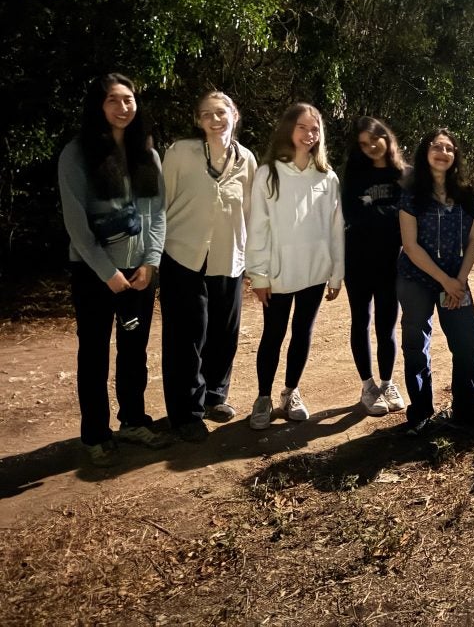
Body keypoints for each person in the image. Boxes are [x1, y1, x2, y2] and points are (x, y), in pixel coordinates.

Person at [58, 73, 172, 466]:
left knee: (134, 350)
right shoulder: (77, 154)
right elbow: (76, 222)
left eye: (129, 100)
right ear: (97, 106)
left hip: (139, 271)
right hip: (95, 273)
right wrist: (107, 272)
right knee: (93, 354)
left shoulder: (147, 154)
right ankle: (94, 433)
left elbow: (158, 215)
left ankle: (133, 421)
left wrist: (151, 261)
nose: (124, 108)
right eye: (113, 100)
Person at [159, 91, 257, 442]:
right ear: (198, 121)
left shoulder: (247, 159)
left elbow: (250, 212)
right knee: (186, 337)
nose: (215, 120)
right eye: (207, 114)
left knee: (223, 332)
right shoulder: (180, 153)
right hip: (182, 256)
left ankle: (216, 396)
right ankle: (185, 413)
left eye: (221, 112)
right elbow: (162, 204)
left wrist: (253, 259)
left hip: (229, 258)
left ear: (234, 114)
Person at [245, 103, 344, 430]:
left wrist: (336, 272)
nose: (309, 134)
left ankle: (290, 393)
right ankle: (263, 398)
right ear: (289, 129)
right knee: (273, 334)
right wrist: (258, 273)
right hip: (277, 274)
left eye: (314, 128)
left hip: (314, 273)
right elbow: (258, 226)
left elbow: (334, 228)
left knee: (303, 332)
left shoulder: (327, 177)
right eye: (302, 127)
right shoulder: (269, 172)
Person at [397, 129, 474, 435]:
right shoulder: (411, 194)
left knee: (468, 343)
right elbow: (410, 246)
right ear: (425, 152)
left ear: (455, 157)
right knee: (415, 346)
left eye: (449, 148)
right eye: (437, 146)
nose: (443, 152)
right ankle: (421, 413)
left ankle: (465, 412)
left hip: (455, 279)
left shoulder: (465, 194)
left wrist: (457, 281)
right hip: (417, 278)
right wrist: (445, 281)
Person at [341, 116, 407, 417]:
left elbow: (409, 215)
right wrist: (390, 215)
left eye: (374, 140)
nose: (370, 147)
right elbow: (353, 215)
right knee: (361, 321)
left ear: (386, 137)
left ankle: (387, 382)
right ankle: (367, 385)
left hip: (391, 263)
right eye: (363, 144)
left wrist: (375, 211)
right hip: (357, 261)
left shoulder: (404, 175)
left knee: (387, 325)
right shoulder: (353, 175)